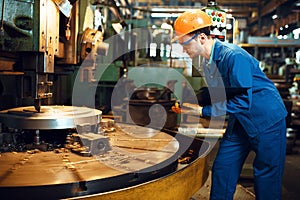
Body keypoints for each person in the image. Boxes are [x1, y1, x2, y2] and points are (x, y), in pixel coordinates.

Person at [172, 10, 287, 200]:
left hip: (267, 120)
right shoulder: (207, 63)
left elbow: (243, 100)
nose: (183, 49)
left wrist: (202, 111)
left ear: (201, 38)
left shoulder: (233, 56)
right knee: (223, 169)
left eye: (184, 43)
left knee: (266, 177)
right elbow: (220, 93)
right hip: (240, 121)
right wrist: (193, 101)